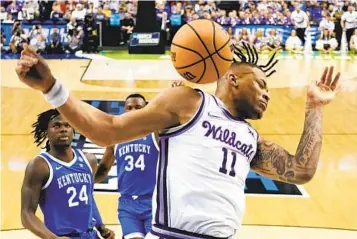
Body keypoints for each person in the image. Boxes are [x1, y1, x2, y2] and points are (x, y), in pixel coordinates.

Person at [16, 43, 340, 238]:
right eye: (260, 84)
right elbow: (109, 129)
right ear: (233, 78)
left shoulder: (251, 139)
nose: (267, 94)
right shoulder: (189, 103)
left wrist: (314, 108)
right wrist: (52, 87)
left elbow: (301, 170)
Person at [21, 109, 115, 239]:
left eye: (67, 125)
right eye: (56, 126)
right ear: (46, 131)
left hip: (91, 235)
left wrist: (101, 227)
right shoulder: (40, 166)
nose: (63, 129)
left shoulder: (88, 160)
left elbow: (88, 198)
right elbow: (27, 214)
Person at [96, 93, 159, 239]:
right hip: (127, 204)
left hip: (153, 202)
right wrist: (87, 180)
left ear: (146, 109)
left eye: (138, 107)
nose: (133, 111)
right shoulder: (116, 138)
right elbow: (103, 169)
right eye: (129, 108)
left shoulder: (155, 133)